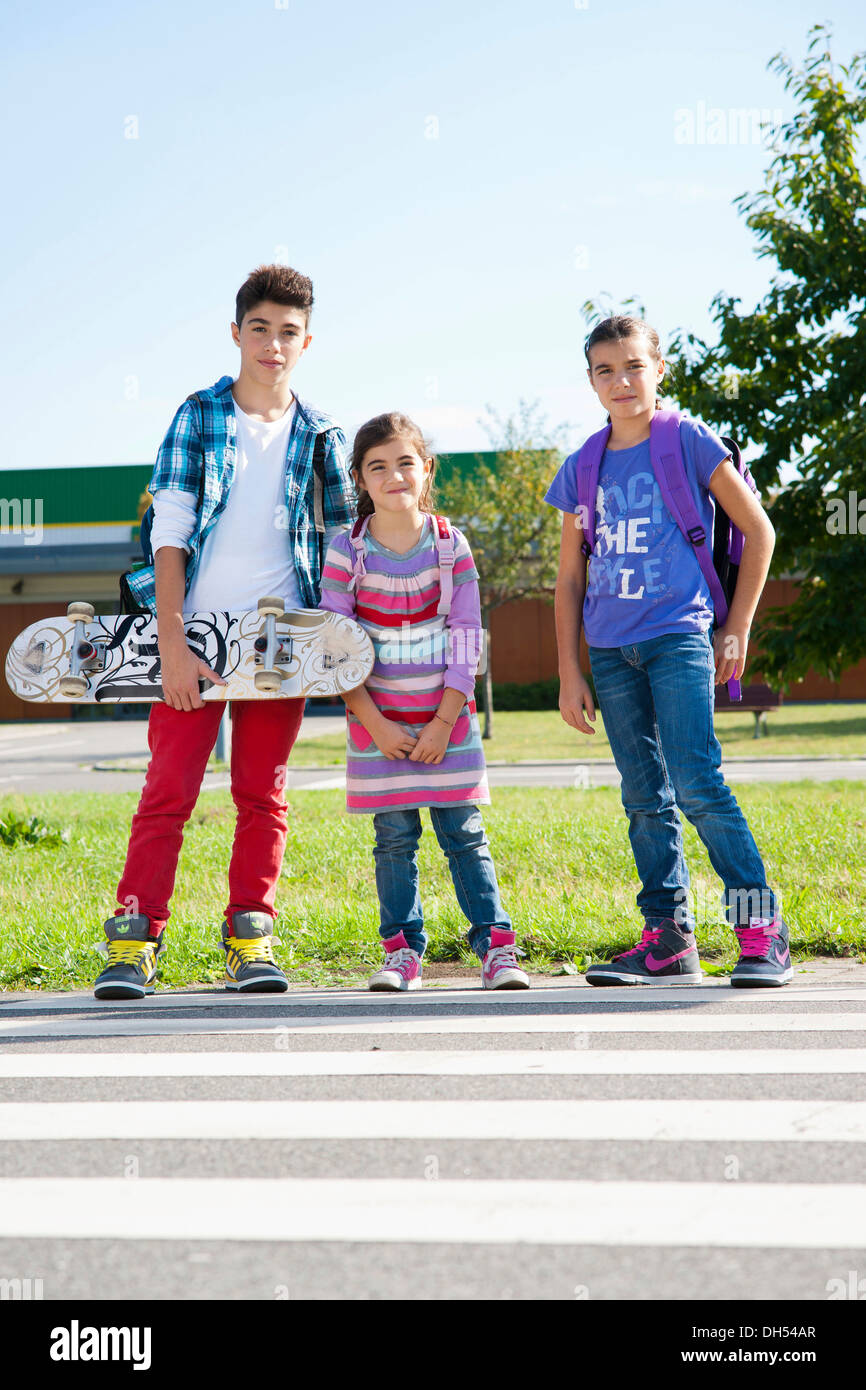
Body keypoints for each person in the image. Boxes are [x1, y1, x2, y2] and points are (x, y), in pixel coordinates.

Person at [94, 264, 355, 999]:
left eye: (290, 333)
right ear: (237, 333)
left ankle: (250, 936)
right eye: (261, 329)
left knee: (262, 794)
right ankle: (135, 941)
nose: (274, 344)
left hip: (280, 638)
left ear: (308, 343)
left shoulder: (320, 434)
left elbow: (338, 546)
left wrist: (331, 647)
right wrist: (172, 642)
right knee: (167, 791)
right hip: (194, 636)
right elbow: (168, 536)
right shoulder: (198, 414)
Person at [546, 315, 792, 987]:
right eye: (605, 370)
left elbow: (759, 530)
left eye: (633, 366)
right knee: (643, 798)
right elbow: (569, 579)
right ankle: (668, 940)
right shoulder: (581, 468)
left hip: (679, 635)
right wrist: (571, 672)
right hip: (610, 650)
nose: (621, 381)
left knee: (697, 783)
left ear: (659, 369)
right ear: (591, 381)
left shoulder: (685, 440)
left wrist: (736, 625)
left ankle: (761, 930)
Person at [318, 412, 529, 991]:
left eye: (405, 462)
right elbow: (335, 648)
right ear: (360, 479)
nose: (393, 476)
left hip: (446, 722)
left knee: (464, 834)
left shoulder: (449, 546)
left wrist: (442, 723)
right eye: (377, 466)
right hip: (378, 726)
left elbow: (466, 639)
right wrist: (376, 725)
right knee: (393, 840)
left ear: (426, 469)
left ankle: (496, 947)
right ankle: (402, 952)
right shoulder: (346, 552)